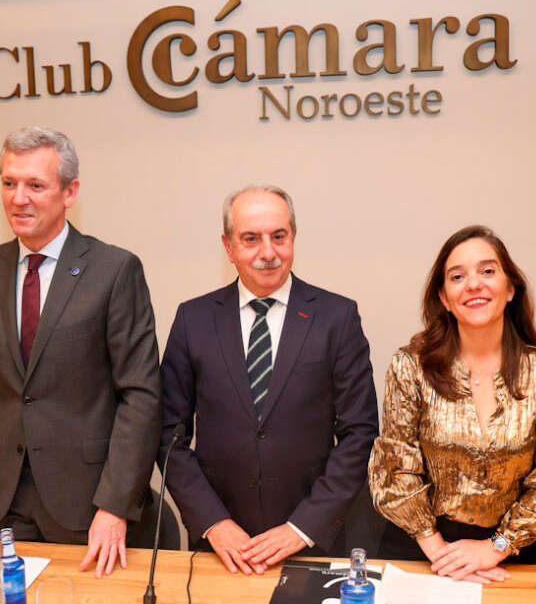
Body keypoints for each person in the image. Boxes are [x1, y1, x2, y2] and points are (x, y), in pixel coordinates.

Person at [0, 126, 161, 578]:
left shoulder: (114, 270)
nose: (18, 198)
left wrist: (115, 504)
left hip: (88, 506)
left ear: (70, 192)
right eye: (9, 183)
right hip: (0, 505)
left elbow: (140, 396)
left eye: (35, 185)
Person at [159, 185, 378, 574]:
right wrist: (214, 522)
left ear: (293, 237)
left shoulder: (337, 318)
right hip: (223, 547)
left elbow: (359, 435)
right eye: (250, 239)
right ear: (228, 247)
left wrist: (301, 527)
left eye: (279, 236)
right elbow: (167, 435)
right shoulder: (193, 320)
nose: (268, 252)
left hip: (314, 542)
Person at [369, 225, 536, 583]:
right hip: (422, 550)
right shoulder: (410, 366)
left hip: (512, 553)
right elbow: (395, 468)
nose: (474, 284)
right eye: (457, 276)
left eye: (488, 271)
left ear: (510, 288)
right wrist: (444, 556)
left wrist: (494, 547)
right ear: (445, 298)